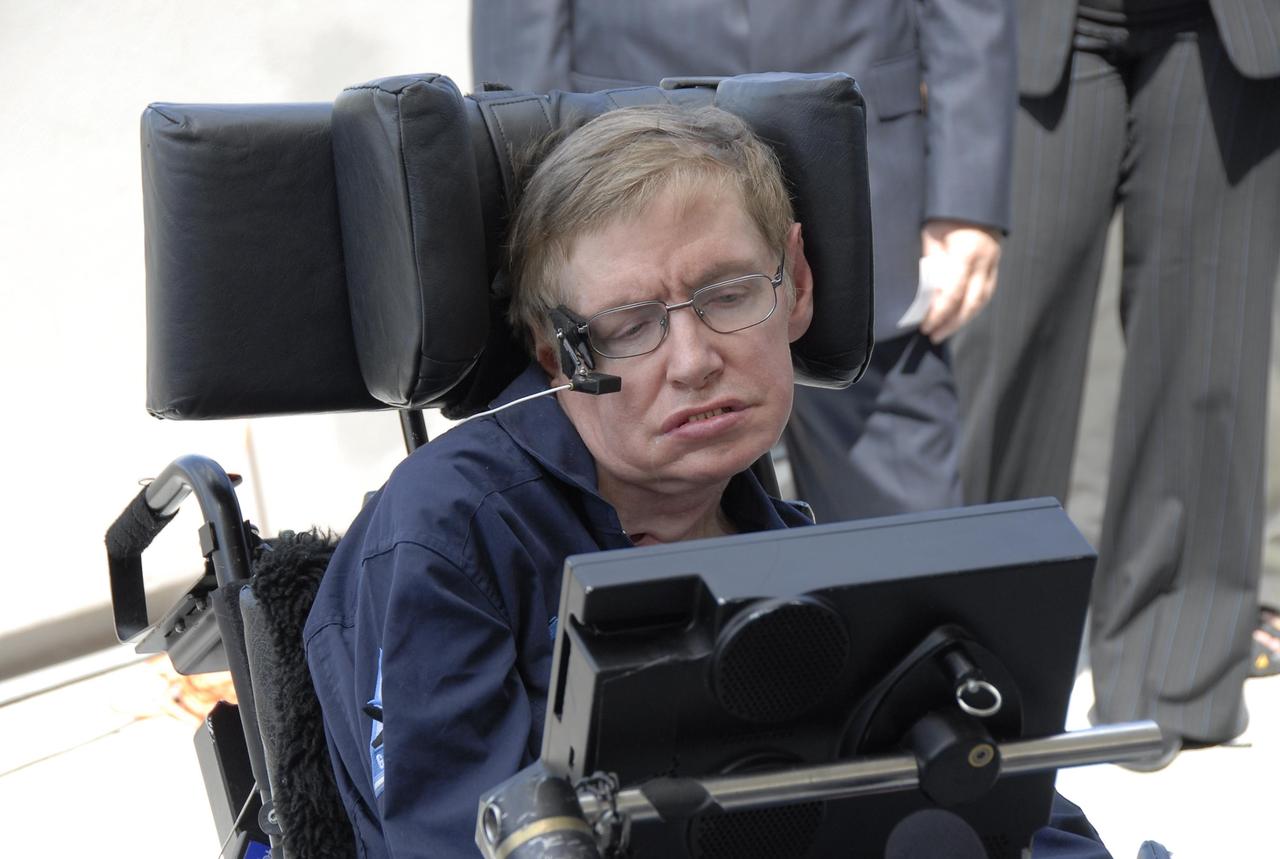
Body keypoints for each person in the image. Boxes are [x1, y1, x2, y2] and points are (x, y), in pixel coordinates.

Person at [304, 105, 1111, 857]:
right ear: (557, 353)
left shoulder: (792, 548)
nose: (694, 362)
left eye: (727, 295)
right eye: (630, 326)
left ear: (795, 283)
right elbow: (452, 839)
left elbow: (1020, 812)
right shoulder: (449, 532)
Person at [471, 0, 1016, 522]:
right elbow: (521, 29)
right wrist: (536, 194)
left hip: (870, 188)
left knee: (910, 555)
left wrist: (965, 197)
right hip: (627, 198)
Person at [953, 0, 1280, 766]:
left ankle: (1176, 674)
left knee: (1208, 343)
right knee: (1005, 347)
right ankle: (965, 661)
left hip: (1222, 25)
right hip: (1032, 22)